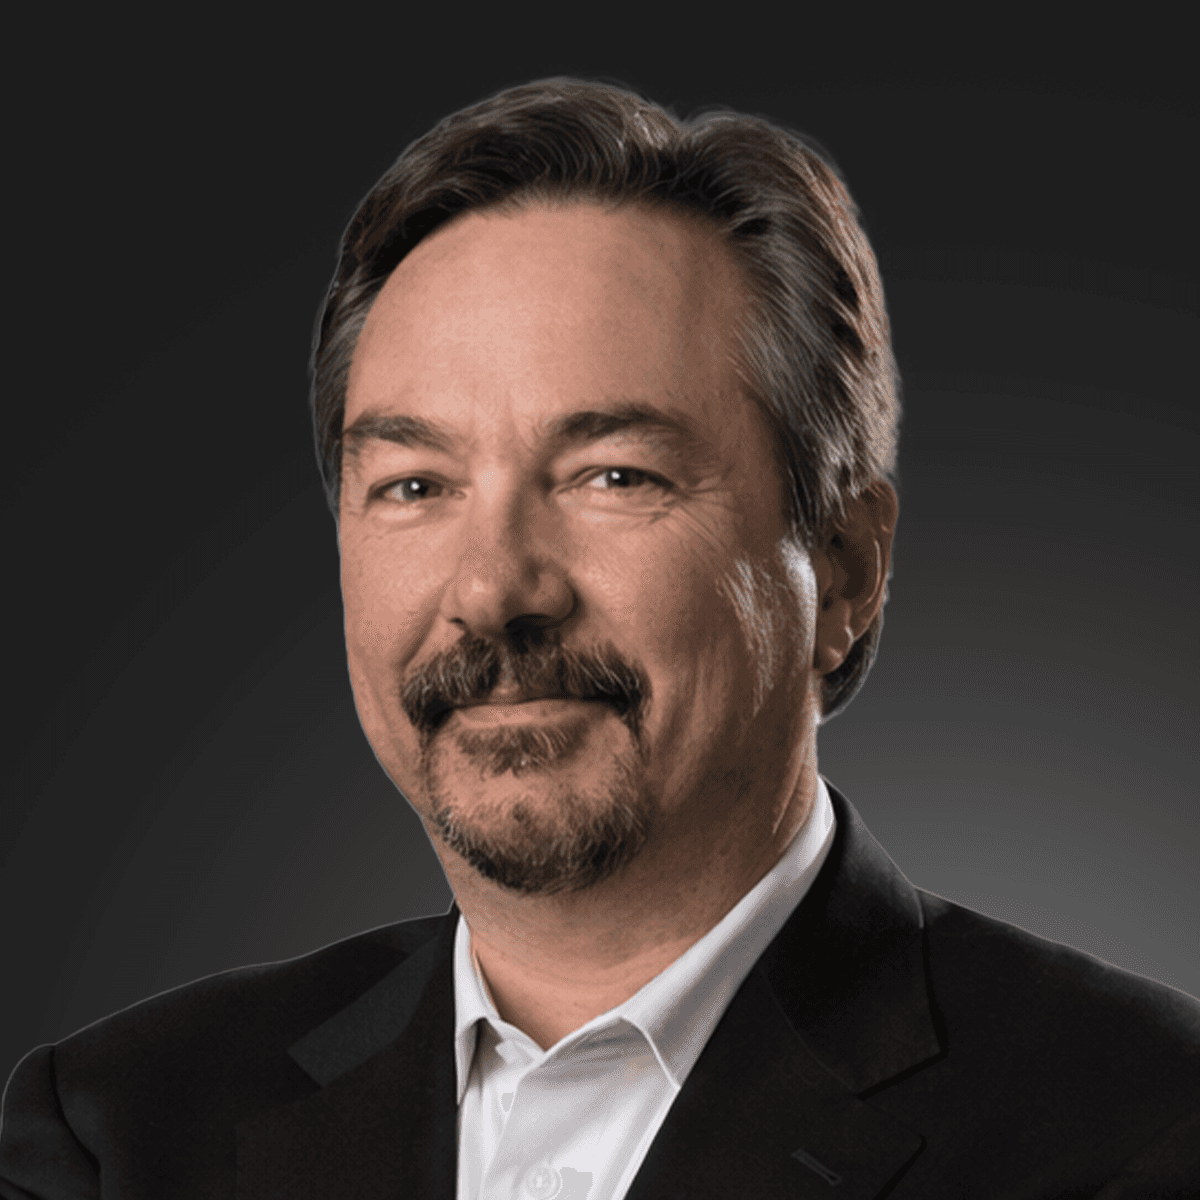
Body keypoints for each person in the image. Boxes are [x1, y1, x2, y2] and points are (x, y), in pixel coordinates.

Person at [2, 76, 1197, 1200]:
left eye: (613, 474)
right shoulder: (116, 1131)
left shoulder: (1145, 1129)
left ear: (843, 568)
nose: (493, 588)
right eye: (415, 484)